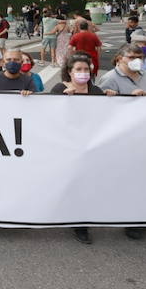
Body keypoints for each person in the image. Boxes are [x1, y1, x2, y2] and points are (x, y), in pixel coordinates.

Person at [50, 55, 106, 243]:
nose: (83, 73)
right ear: (70, 72)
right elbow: (48, 115)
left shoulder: (96, 91)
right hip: (67, 144)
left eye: (86, 70)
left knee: (87, 184)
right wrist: (65, 100)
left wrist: (114, 99)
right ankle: (74, 220)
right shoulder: (60, 89)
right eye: (79, 70)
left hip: (91, 144)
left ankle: (81, 222)